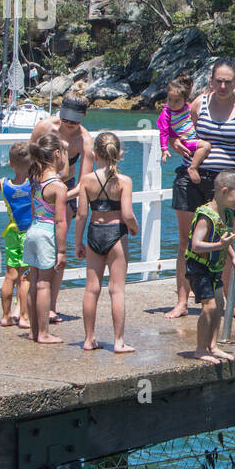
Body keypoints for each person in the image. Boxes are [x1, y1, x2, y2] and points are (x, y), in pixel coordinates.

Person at [166, 60, 235, 321]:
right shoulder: (199, 103)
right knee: (186, 242)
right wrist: (174, 142)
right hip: (191, 177)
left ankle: (231, 302)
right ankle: (182, 301)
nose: (222, 85)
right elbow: (176, 128)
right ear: (210, 80)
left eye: (228, 81)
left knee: (226, 242)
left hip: (225, 185)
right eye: (218, 80)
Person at [29, 91, 94, 323]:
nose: (68, 125)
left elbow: (84, 181)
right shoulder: (44, 127)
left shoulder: (84, 140)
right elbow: (29, 159)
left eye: (74, 121)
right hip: (40, 187)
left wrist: (64, 196)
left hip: (66, 190)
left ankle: (51, 305)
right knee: (31, 247)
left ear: (83, 117)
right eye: (65, 119)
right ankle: (24, 305)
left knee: (58, 250)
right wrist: (39, 192)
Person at [76, 132, 138, 353]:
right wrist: (134, 228)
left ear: (94, 155)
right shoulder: (124, 182)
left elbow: (82, 215)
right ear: (119, 154)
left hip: (94, 232)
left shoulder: (86, 180)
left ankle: (88, 338)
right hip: (116, 235)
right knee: (117, 290)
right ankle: (119, 341)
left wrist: (78, 242)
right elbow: (128, 214)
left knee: (92, 289)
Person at [185, 171, 235, 363]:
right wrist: (221, 246)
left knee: (220, 304)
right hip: (198, 266)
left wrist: (233, 257)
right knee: (209, 307)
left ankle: (213, 345)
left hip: (214, 267)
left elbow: (224, 239)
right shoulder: (206, 215)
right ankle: (200, 349)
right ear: (224, 191)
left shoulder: (226, 213)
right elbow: (196, 244)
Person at [23, 133, 69, 345]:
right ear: (57, 154)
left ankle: (34, 330)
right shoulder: (58, 186)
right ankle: (43, 332)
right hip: (47, 234)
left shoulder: (35, 180)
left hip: (33, 231)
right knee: (44, 284)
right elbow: (60, 220)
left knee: (33, 282)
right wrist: (62, 250)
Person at [0, 141, 33, 328]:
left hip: (12, 233)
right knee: (25, 277)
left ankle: (6, 316)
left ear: (10, 164)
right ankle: (24, 316)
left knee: (9, 276)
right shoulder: (34, 184)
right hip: (29, 233)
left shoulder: (5, 185)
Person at [158, 73, 212, 181]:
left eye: (177, 101)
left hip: (192, 138)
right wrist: (164, 149)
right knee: (206, 146)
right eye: (170, 100)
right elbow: (163, 131)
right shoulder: (167, 113)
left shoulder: (187, 108)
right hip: (185, 141)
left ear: (185, 100)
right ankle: (193, 167)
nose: (172, 104)